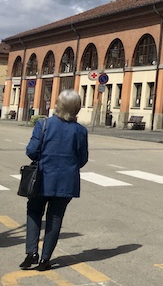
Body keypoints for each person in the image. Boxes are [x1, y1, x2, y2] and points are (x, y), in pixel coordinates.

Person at [20, 89, 89, 271]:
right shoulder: (81, 131)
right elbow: (82, 159)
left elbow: (31, 151)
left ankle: (31, 252)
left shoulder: (43, 125)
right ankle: (45, 260)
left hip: (41, 178)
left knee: (34, 212)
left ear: (58, 105)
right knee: (55, 218)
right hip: (66, 181)